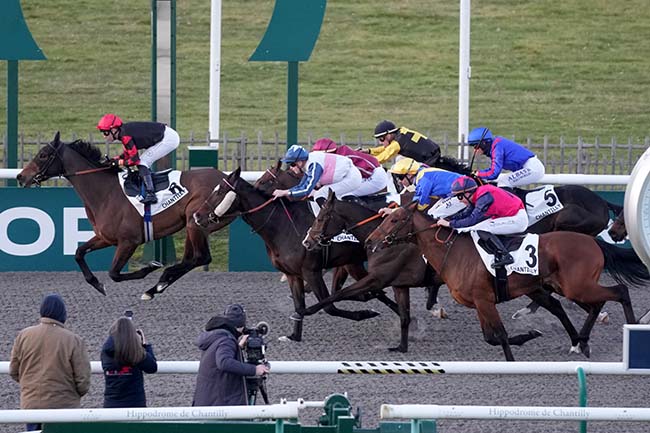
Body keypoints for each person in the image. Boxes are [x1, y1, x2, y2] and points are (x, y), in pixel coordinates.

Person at [9, 293, 91, 432]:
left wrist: (30, 385)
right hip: (64, 406)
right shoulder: (74, 340)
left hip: (31, 404)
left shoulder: (24, 335)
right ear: (62, 313)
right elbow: (83, 379)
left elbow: (13, 371)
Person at [437, 176, 528, 268]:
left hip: (517, 219)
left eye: (459, 197)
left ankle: (505, 256)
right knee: (480, 226)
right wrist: (448, 219)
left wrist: (450, 224)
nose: (460, 201)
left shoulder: (484, 197)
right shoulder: (478, 195)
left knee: (481, 228)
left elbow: (472, 220)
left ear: (468, 193)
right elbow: (466, 214)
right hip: (510, 216)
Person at [193, 304, 270, 406]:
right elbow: (224, 362)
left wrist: (237, 348)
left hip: (208, 399)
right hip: (220, 403)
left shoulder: (217, 336)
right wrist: (254, 370)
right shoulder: (227, 340)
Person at [96, 113, 180, 205]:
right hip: (165, 135)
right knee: (143, 161)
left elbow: (134, 160)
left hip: (168, 139)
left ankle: (151, 194)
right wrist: (114, 159)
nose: (104, 136)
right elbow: (128, 154)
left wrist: (118, 162)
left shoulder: (125, 135)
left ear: (114, 129)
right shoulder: (124, 133)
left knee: (143, 162)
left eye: (106, 132)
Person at [272, 145, 363, 205]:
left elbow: (306, 190)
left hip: (350, 178)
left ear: (299, 162)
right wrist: (286, 191)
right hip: (345, 176)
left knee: (320, 195)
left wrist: (284, 192)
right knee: (320, 195)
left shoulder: (314, 165)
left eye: (292, 164)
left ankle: (327, 226)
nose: (291, 168)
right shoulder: (308, 164)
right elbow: (301, 186)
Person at [101, 316, 158, 408]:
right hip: (135, 403)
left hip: (111, 403)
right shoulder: (135, 352)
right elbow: (152, 367)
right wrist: (144, 345)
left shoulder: (106, 351)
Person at [379, 158, 465, 218]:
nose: (400, 181)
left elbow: (419, 205)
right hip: (457, 193)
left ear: (409, 175)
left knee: (433, 215)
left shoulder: (423, 180)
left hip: (464, 194)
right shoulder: (422, 173)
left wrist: (393, 211)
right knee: (431, 212)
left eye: (400, 177)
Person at [469, 126, 545, 188]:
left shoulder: (497, 148)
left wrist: (477, 174)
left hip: (533, 168)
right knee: (500, 182)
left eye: (476, 147)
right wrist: (477, 173)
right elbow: (492, 171)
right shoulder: (496, 145)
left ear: (484, 143)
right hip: (529, 167)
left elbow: (493, 174)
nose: (475, 150)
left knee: (503, 183)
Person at [312, 137, 388, 196]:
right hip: (371, 173)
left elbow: (367, 171)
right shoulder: (336, 157)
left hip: (375, 176)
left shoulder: (344, 158)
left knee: (343, 193)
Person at [362, 120, 441, 166]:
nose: (380, 141)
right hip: (432, 153)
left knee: (398, 166)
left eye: (381, 138)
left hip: (429, 160)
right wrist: (369, 151)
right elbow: (387, 149)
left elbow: (382, 158)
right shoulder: (400, 133)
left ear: (389, 135)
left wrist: (362, 160)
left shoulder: (397, 143)